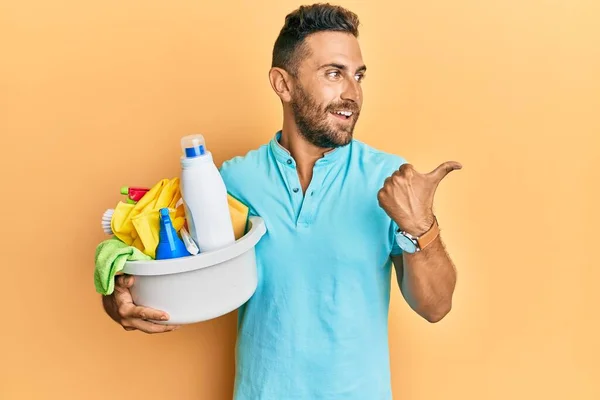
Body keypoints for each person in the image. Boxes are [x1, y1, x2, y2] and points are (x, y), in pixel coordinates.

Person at [102, 3, 461, 399]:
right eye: (333, 73)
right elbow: (171, 266)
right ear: (283, 83)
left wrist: (421, 226)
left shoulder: (390, 179)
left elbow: (436, 306)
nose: (352, 93)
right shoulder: (233, 181)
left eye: (358, 76)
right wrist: (116, 297)